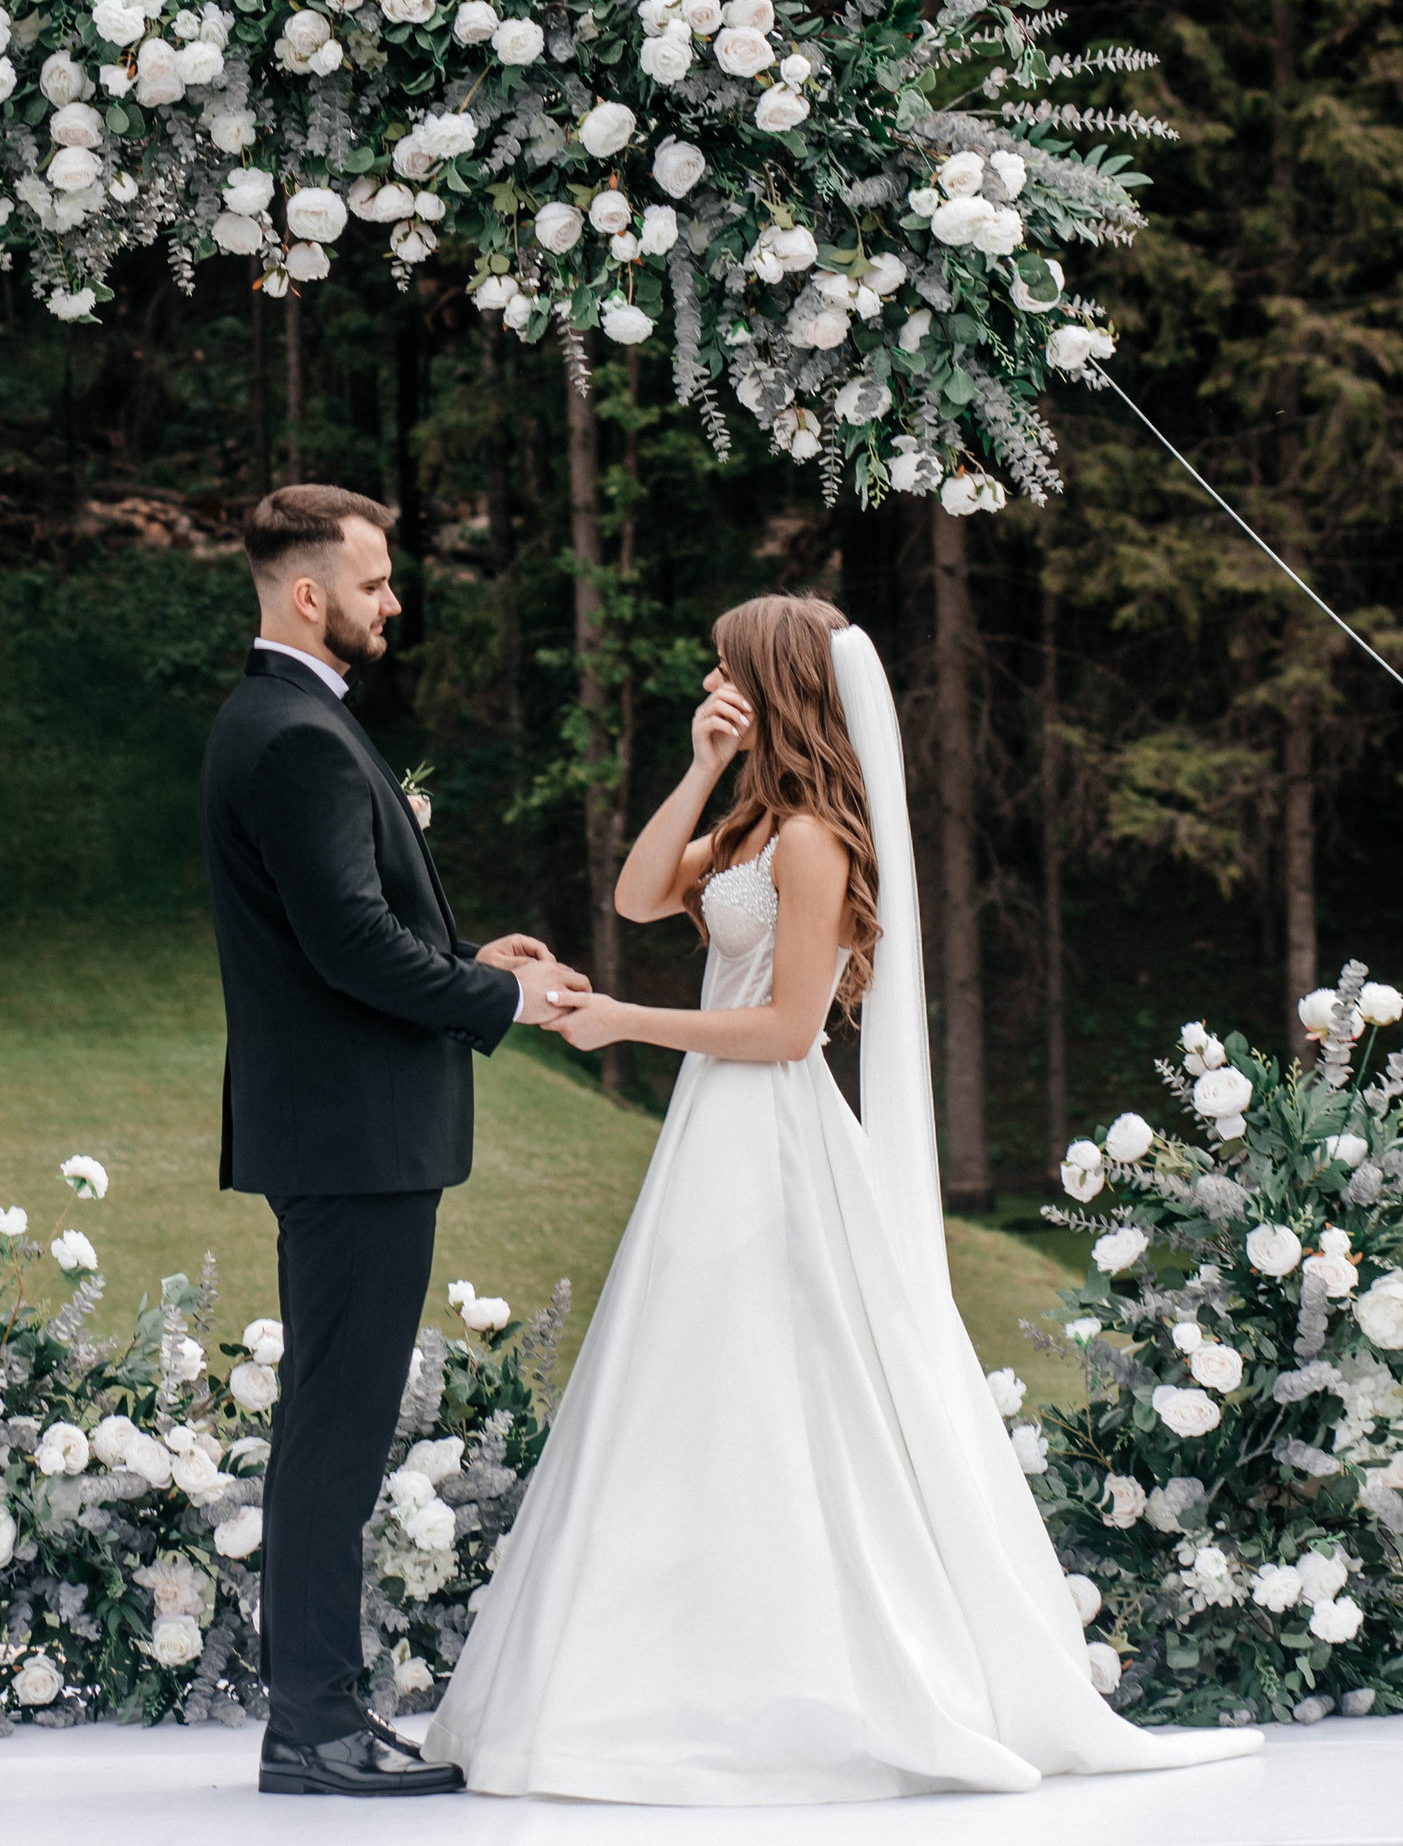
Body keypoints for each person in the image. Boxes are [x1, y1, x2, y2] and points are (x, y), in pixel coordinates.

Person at [429, 593, 1263, 1805]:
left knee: (784, 1382)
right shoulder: (754, 817)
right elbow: (637, 895)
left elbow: (784, 1027)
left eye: (726, 674)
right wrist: (703, 762)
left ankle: (831, 1674)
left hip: (769, 1133)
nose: (708, 683)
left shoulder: (815, 838)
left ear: (777, 681)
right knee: (691, 1383)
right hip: (709, 1141)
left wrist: (621, 1023)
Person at [202, 483, 587, 1801]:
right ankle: (313, 1728)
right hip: (353, 1140)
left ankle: (317, 1717)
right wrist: (503, 999)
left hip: (339, 1134)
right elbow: (348, 948)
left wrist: (469, 955)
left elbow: (344, 929)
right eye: (374, 584)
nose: (392, 603)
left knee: (333, 1422)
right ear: (309, 594)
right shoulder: (298, 736)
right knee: (336, 1433)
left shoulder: (286, 721)